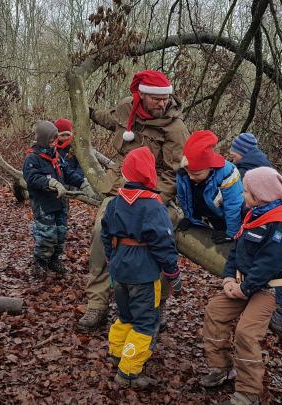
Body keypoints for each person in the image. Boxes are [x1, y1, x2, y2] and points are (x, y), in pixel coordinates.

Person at [78, 69, 189, 332]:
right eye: (155, 99)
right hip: (121, 185)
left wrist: (149, 202)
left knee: (157, 238)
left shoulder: (176, 129)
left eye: (165, 99)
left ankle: (157, 303)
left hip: (157, 192)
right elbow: (112, 120)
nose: (162, 103)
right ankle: (97, 302)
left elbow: (174, 174)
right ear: (141, 97)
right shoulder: (127, 109)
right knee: (100, 231)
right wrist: (88, 113)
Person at [199, 167, 282, 405]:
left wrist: (243, 289)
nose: (243, 194)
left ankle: (248, 393)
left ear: (261, 194)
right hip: (244, 285)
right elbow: (236, 250)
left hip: (268, 290)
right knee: (215, 312)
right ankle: (221, 368)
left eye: (247, 190)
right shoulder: (253, 215)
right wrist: (227, 278)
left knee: (246, 333)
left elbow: (269, 264)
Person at [102, 147, 181, 389]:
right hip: (144, 274)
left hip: (119, 271)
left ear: (125, 175)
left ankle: (116, 353)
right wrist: (172, 273)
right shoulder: (154, 206)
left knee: (124, 316)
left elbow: (106, 234)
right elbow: (164, 243)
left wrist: (111, 259)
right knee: (145, 323)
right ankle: (128, 372)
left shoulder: (114, 203)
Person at [23, 120, 96, 275]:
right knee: (46, 235)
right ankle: (40, 263)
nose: (53, 143)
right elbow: (32, 178)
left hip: (61, 203)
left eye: (54, 139)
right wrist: (51, 182)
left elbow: (67, 172)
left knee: (61, 234)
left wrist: (83, 183)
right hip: (44, 204)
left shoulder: (56, 155)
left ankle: (55, 260)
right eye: (51, 140)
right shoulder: (32, 158)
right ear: (43, 139)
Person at [176, 130, 244, 244]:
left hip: (223, 218)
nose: (191, 177)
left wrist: (231, 233)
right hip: (202, 214)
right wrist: (189, 217)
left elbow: (234, 205)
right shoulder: (184, 174)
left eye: (196, 174)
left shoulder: (228, 174)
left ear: (210, 167)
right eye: (189, 173)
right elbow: (184, 198)